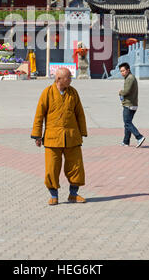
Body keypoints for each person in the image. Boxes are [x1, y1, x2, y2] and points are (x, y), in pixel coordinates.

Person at [31, 67, 87, 205]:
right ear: (59, 79)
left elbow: (80, 113)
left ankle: (73, 194)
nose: (71, 80)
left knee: (76, 166)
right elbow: (39, 115)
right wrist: (37, 135)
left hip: (72, 137)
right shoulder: (47, 93)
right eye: (69, 77)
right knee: (52, 168)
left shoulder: (73, 93)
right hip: (52, 138)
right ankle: (54, 195)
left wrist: (82, 132)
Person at [118, 62, 145, 148]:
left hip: (129, 104)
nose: (122, 73)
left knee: (127, 123)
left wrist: (120, 92)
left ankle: (139, 137)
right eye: (121, 71)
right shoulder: (130, 77)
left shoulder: (129, 78)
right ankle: (126, 141)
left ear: (128, 70)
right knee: (127, 123)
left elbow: (126, 91)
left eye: (123, 71)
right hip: (132, 104)